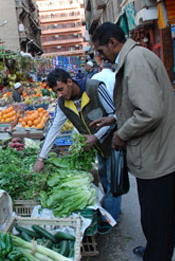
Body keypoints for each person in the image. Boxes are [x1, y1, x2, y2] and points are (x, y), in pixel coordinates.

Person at [91, 22, 175, 261]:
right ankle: (154, 249)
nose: (100, 57)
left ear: (113, 43)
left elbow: (149, 112)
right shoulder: (134, 58)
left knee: (158, 215)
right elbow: (137, 105)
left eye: (101, 51)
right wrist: (114, 119)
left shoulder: (135, 61)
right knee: (154, 213)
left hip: (156, 153)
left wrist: (121, 134)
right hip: (153, 152)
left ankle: (157, 255)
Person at [32, 68, 121, 231]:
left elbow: (115, 115)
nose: (59, 94)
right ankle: (113, 210)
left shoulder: (95, 88)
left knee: (114, 181)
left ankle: (110, 220)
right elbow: (54, 128)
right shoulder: (62, 103)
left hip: (113, 142)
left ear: (69, 82)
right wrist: (40, 159)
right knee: (105, 178)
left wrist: (96, 136)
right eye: (56, 91)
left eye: (61, 89)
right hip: (95, 146)